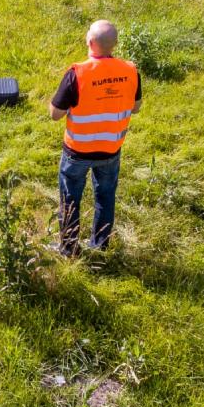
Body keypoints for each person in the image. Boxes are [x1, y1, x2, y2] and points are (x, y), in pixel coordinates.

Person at [48, 19, 142, 256]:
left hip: (77, 152)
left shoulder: (77, 74)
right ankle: (100, 246)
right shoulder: (130, 71)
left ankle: (69, 249)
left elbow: (54, 114)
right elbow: (136, 106)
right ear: (115, 44)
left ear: (89, 42)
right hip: (111, 150)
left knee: (70, 199)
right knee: (106, 196)